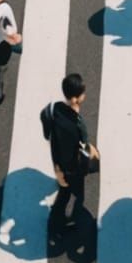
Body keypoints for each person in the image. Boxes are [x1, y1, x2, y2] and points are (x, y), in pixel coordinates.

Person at [45, 72, 98, 235]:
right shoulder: (76, 125)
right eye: (82, 93)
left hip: (61, 163)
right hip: (72, 167)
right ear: (75, 98)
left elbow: (54, 141)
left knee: (65, 191)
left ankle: (58, 218)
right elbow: (83, 146)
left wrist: (57, 168)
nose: (85, 96)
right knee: (73, 194)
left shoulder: (58, 109)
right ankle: (58, 221)